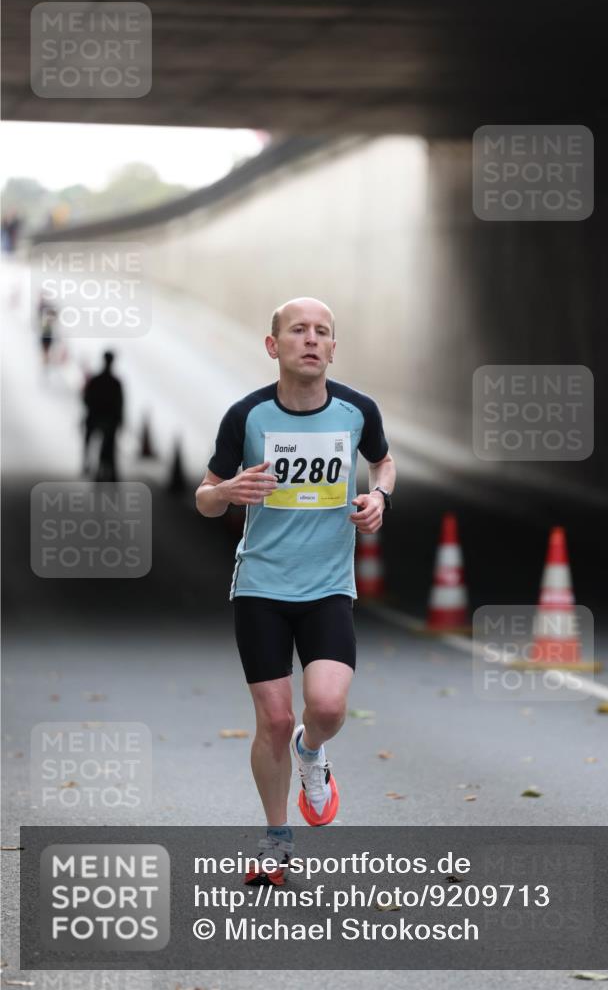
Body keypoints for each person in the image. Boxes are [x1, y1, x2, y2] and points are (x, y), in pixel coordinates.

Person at [196, 297, 396, 885]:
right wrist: (229, 488)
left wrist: (379, 497)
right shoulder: (248, 416)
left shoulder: (358, 411)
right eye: (298, 330)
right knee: (275, 721)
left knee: (327, 707)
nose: (311, 340)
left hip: (328, 586)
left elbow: (384, 463)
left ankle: (314, 754)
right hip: (260, 585)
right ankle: (275, 841)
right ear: (273, 345)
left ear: (333, 349)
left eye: (322, 332)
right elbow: (204, 499)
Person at [82, 351, 124, 480]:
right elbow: (120, 403)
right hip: (105, 418)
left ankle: (88, 463)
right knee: (109, 443)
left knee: (92, 440)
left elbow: (86, 398)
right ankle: (109, 469)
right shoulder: (115, 382)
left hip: (97, 417)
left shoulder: (97, 380)